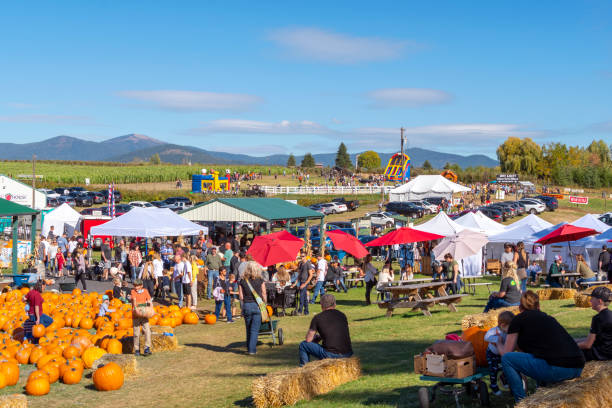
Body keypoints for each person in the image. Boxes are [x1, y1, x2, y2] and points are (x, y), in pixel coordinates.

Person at [500, 291, 585, 402]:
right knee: (538, 357)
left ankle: (521, 402)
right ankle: (542, 388)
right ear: (538, 306)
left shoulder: (518, 320)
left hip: (558, 368)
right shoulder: (548, 318)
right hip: (577, 367)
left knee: (507, 359)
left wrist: (497, 343)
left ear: (520, 307)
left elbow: (507, 352)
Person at [299, 294, 353, 366]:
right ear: (335, 304)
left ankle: (304, 368)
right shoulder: (342, 315)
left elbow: (308, 339)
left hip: (330, 354)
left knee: (303, 345)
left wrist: (316, 338)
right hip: (347, 353)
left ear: (321, 305)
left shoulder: (317, 318)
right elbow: (335, 331)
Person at [576, 286, 612, 361]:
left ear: (600, 301)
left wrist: (571, 345)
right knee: (577, 340)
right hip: (609, 352)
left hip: (601, 354)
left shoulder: (598, 318)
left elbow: (587, 345)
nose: (590, 301)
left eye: (592, 298)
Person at [484, 311, 515, 395]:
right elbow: (486, 337)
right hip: (492, 354)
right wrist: (496, 339)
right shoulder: (494, 331)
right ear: (503, 325)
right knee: (493, 369)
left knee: (506, 367)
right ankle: (493, 385)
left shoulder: (507, 332)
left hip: (502, 353)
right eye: (510, 326)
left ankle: (504, 379)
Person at [238, 261, 267, 355]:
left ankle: (248, 347)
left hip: (246, 305)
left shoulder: (242, 280)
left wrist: (242, 307)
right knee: (254, 330)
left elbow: (241, 297)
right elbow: (264, 293)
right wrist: (264, 302)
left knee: (248, 328)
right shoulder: (260, 280)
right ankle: (252, 350)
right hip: (257, 306)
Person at [131, 279, 152, 356]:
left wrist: (149, 307)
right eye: (135, 286)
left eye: (138, 286)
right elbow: (134, 302)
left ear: (141, 286)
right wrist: (143, 305)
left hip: (144, 314)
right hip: (135, 315)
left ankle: (147, 348)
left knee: (147, 331)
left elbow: (149, 302)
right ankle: (137, 349)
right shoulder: (133, 292)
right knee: (136, 333)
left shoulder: (145, 291)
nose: (136, 288)